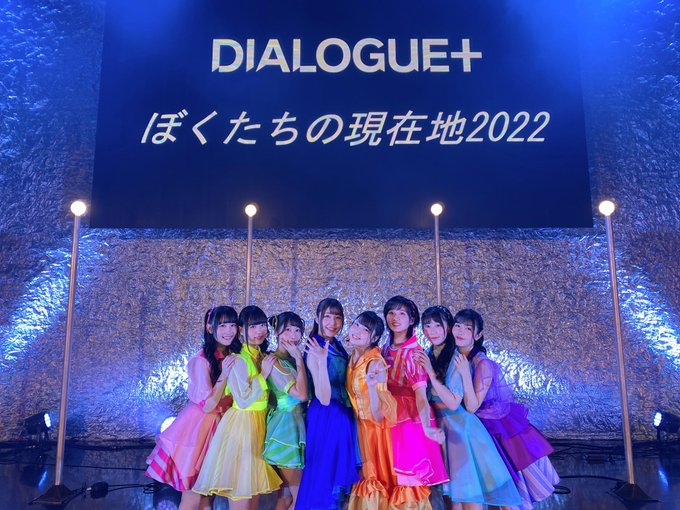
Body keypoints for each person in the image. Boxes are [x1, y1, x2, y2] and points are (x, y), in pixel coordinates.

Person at [415, 306, 521, 510]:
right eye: (427, 326)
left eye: (437, 325)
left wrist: (432, 374)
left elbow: (458, 404)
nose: (432, 330)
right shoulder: (431, 353)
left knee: (469, 494)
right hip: (443, 429)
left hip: (462, 431)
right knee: (453, 497)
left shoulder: (461, 359)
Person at [452, 309, 559, 510]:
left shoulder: (482, 364)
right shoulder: (454, 356)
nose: (460, 331)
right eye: (457, 326)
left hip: (492, 426)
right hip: (468, 425)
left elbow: (473, 406)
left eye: (467, 328)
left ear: (478, 335)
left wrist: (465, 374)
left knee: (504, 485)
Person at [146, 306, 238, 510]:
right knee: (194, 496)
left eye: (232, 325)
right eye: (223, 325)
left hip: (224, 426)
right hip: (200, 429)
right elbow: (208, 405)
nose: (229, 331)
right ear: (209, 327)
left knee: (208, 497)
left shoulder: (232, 355)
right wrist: (224, 374)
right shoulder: (201, 360)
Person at [193, 305, 282, 510]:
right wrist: (264, 374)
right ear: (242, 330)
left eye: (262, 325)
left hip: (259, 424)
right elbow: (242, 400)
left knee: (253, 494)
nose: (259, 331)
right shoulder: (238, 358)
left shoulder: (261, 355)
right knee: (241, 492)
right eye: (253, 327)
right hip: (243, 426)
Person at [382, 296, 448, 509]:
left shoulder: (414, 353)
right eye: (391, 313)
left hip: (410, 421)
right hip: (387, 417)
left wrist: (427, 427)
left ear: (412, 320)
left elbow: (421, 396)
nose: (395, 318)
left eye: (402, 313)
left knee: (410, 484)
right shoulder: (385, 348)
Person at [296, 298, 360, 510]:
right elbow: (323, 397)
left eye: (337, 317)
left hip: (341, 417)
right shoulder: (315, 346)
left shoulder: (336, 345)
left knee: (336, 483)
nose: (332, 322)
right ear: (317, 318)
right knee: (325, 481)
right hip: (326, 417)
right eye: (327, 317)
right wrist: (322, 362)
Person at [345, 311, 398, 510]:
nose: (357, 331)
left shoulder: (375, 363)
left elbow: (378, 415)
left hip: (375, 433)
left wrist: (371, 384)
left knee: (374, 478)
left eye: (365, 330)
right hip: (359, 428)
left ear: (374, 338)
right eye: (356, 324)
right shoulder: (353, 356)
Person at [264, 311, 308, 510]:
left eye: (297, 330)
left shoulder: (290, 359)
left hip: (297, 423)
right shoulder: (274, 361)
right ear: (277, 332)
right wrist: (299, 360)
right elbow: (301, 395)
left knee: (286, 495)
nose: (293, 335)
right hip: (286, 429)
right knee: (301, 495)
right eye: (287, 330)